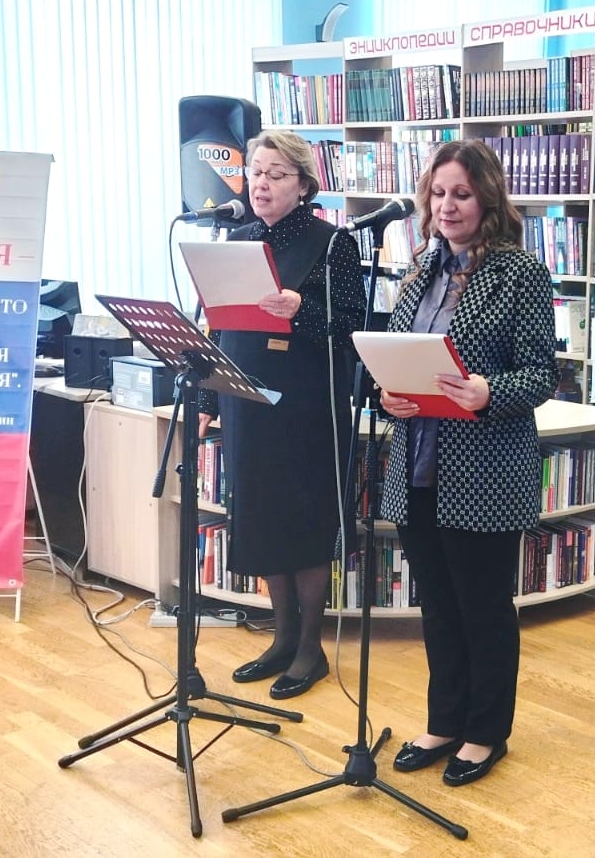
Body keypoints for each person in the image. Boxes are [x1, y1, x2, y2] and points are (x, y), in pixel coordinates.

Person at [378, 140, 557, 786]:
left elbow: (542, 374)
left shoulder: (520, 273)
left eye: (461, 193)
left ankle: (485, 732)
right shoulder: (419, 271)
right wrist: (389, 394)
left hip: (483, 472)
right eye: (438, 193)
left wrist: (488, 393)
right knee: (438, 607)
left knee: (483, 608)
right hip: (417, 465)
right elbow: (398, 354)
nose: (447, 205)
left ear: (487, 198)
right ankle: (444, 720)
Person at [197, 129, 364, 699]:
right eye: (255, 173)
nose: (261, 183)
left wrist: (302, 310)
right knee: (263, 518)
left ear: (303, 185)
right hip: (246, 402)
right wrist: (206, 399)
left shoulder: (332, 244)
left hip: (307, 405)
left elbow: (353, 327)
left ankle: (311, 648)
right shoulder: (236, 239)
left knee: (304, 523)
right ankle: (282, 638)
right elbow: (217, 325)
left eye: (275, 174)